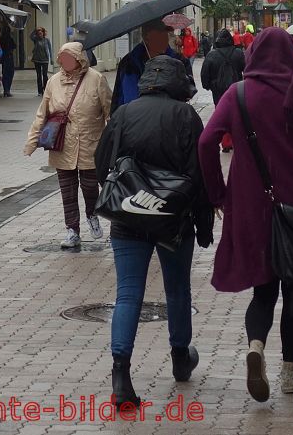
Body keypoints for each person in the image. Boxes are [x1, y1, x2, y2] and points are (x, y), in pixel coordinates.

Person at [197, 29, 293, 401]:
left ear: (254, 53)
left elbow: (206, 141)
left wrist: (217, 193)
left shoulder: (238, 93)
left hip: (250, 203)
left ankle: (256, 346)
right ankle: (289, 373)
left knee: (263, 288)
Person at [95, 56, 214, 409]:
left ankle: (121, 374)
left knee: (128, 295)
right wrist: (203, 224)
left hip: (128, 217)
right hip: (172, 219)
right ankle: (180, 355)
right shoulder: (186, 117)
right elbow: (201, 174)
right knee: (177, 290)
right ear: (179, 81)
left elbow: (102, 163)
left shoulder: (125, 113)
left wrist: (131, 190)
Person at [25, 42, 112, 247]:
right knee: (68, 190)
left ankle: (92, 215)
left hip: (90, 144)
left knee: (91, 187)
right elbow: (42, 113)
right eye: (62, 58)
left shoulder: (96, 79)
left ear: (79, 58)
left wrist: (112, 142)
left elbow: (110, 111)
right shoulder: (54, 81)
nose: (64, 62)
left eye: (69, 58)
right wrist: (32, 141)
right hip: (62, 143)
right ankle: (72, 230)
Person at [111, 18, 195, 113]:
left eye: (165, 33)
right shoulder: (130, 63)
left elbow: (189, 90)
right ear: (146, 37)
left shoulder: (179, 61)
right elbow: (124, 97)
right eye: (159, 34)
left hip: (170, 118)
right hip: (136, 119)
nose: (165, 39)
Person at [30, 27, 53, 96]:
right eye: (38, 33)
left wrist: (51, 59)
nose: (40, 34)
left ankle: (45, 89)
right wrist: (35, 29)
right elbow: (30, 36)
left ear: (43, 33)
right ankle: (40, 91)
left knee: (45, 75)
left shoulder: (47, 40)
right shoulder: (35, 40)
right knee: (38, 75)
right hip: (37, 59)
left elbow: (50, 49)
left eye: (41, 33)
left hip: (45, 60)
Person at [0, 20, 18, 97]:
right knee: (10, 73)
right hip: (9, 56)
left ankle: (5, 89)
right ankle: (7, 90)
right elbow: (14, 46)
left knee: (5, 73)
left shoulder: (1, 38)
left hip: (3, 56)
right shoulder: (10, 38)